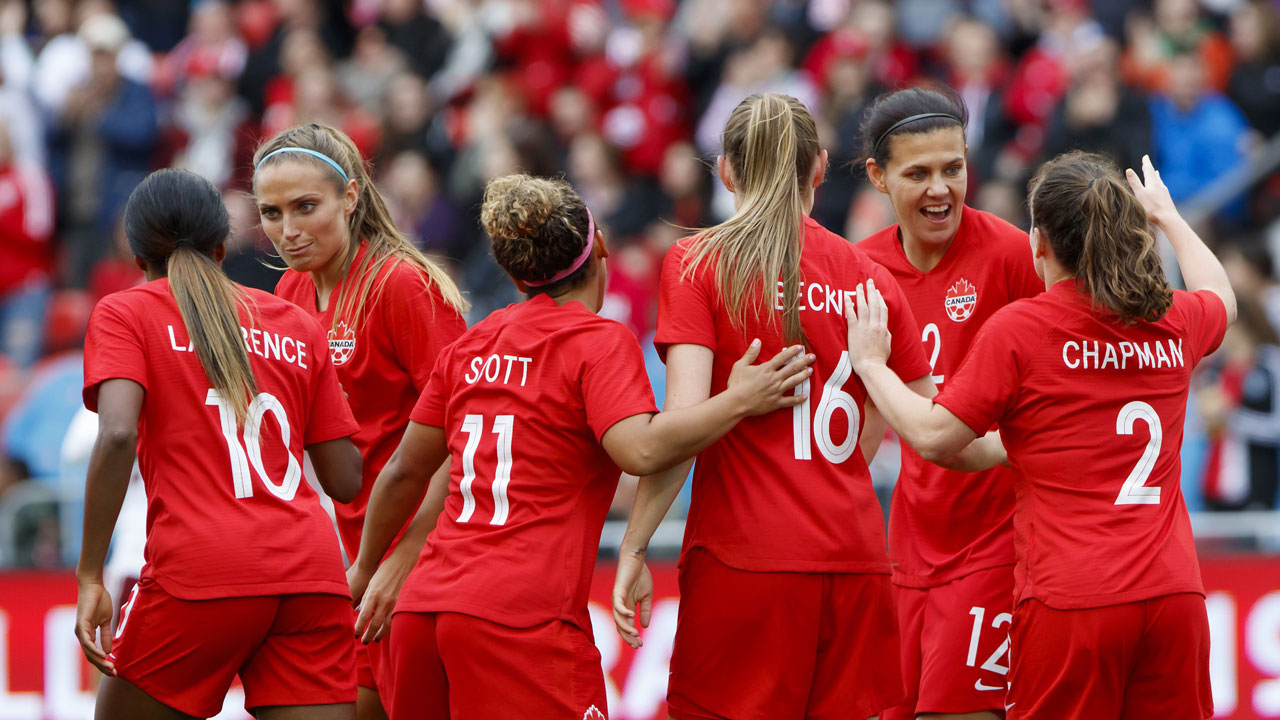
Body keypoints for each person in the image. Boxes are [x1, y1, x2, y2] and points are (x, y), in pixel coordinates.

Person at [351, 174, 814, 719]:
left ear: (512, 273)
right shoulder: (598, 340)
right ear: (598, 250)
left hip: (423, 614)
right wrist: (738, 399)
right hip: (521, 619)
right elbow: (640, 450)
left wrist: (362, 569)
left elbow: (405, 471)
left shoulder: (471, 344)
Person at [846, 152, 1235, 719]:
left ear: (1039, 242)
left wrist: (874, 366)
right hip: (1175, 596)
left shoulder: (1024, 328)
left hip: (1073, 600)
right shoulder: (1172, 320)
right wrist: (1169, 218)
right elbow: (1220, 294)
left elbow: (934, 437)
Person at [614, 92, 953, 720]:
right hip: (853, 558)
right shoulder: (872, 278)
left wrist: (634, 548)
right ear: (820, 167)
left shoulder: (700, 261)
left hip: (746, 562)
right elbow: (904, 421)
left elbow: (678, 434)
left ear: (725, 171)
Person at [74, 168, 363, 719]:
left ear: (138, 258)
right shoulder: (297, 324)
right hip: (310, 575)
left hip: (201, 573)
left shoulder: (126, 311)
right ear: (222, 248)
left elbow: (116, 435)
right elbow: (345, 480)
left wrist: (90, 575)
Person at [253, 122, 469, 720]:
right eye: (271, 213)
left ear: (350, 197)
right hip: (352, 561)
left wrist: (406, 557)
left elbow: (466, 432)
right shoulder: (291, 293)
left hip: (423, 558)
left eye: (306, 207)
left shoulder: (403, 285)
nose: (288, 231)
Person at [856, 86, 1043, 720]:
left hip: (998, 539)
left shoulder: (1014, 257)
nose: (940, 189)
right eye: (918, 173)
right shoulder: (862, 271)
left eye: (953, 168)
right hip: (904, 543)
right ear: (879, 178)